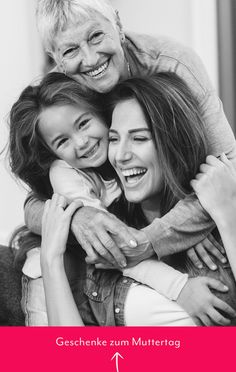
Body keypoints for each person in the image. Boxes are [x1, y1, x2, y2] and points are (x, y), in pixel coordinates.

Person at [24, 0, 236, 273]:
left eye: (96, 36)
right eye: (70, 50)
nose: (90, 59)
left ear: (118, 26)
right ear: (56, 58)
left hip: (177, 209)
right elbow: (34, 204)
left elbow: (227, 172)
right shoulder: (62, 95)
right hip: (120, 215)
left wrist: (160, 237)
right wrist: (77, 217)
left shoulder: (172, 65)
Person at [9, 71, 236, 326]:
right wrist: (179, 287)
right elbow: (116, 245)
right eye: (62, 141)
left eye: (84, 123)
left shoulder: (145, 193)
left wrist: (209, 222)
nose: (82, 142)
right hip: (49, 270)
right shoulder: (65, 174)